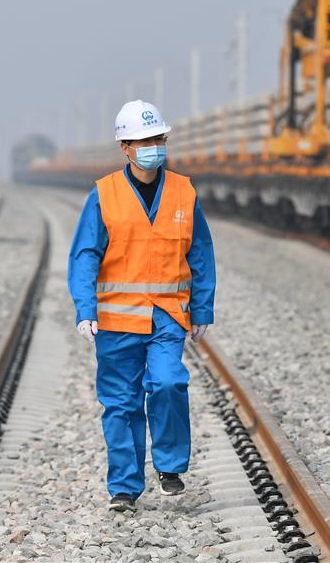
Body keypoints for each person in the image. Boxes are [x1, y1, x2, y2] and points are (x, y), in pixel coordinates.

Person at [67, 99, 215, 512]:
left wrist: (202, 308)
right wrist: (85, 309)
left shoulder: (184, 191)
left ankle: (169, 466)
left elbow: (200, 252)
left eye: (158, 139)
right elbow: (85, 255)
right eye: (144, 141)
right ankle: (124, 488)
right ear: (125, 148)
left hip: (167, 315)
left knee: (168, 383)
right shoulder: (104, 194)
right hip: (116, 320)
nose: (153, 147)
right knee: (121, 404)